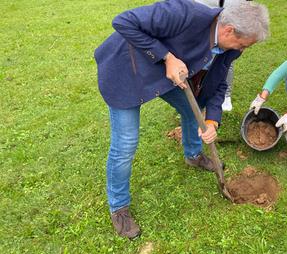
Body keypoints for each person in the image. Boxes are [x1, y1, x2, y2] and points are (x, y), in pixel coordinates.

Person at [94, 0, 269, 239]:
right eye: (243, 44)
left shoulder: (231, 47)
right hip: (126, 70)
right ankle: (119, 207)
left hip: (164, 76)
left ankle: (193, 155)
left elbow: (219, 84)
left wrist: (213, 121)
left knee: (191, 110)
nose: (243, 50)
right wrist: (167, 57)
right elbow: (123, 21)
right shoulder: (186, 13)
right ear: (229, 30)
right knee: (125, 144)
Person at [196, 0, 253, 112]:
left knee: (224, 63)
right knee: (202, 61)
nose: (242, 49)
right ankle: (197, 96)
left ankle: (225, 96)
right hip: (205, 12)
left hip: (232, 11)